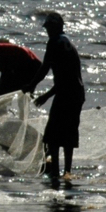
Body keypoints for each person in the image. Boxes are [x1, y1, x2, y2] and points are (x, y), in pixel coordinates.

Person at [32, 11, 84, 180]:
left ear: (56, 27)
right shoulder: (67, 41)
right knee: (69, 133)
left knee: (52, 136)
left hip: (66, 93)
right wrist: (49, 93)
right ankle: (67, 171)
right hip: (76, 93)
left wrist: (32, 86)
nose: (47, 31)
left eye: (49, 27)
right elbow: (69, 77)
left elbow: (44, 68)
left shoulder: (54, 42)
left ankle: (55, 172)